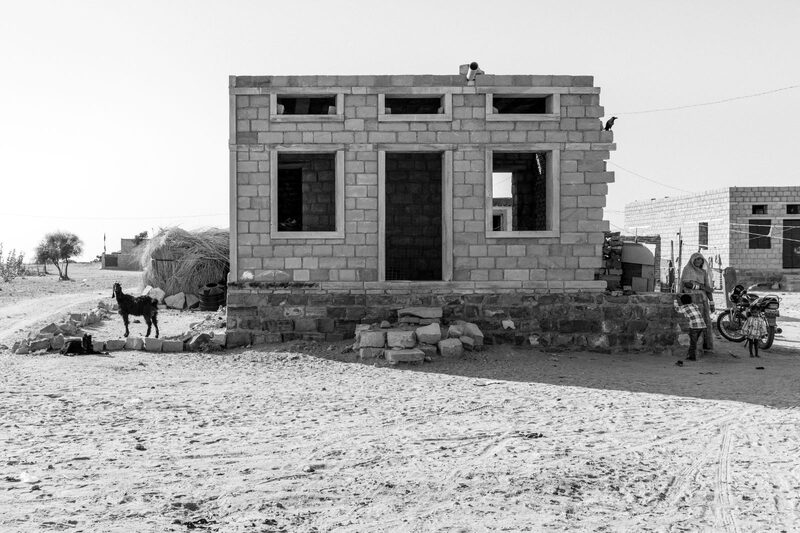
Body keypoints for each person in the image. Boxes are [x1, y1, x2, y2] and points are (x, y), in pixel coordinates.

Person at [680, 252, 715, 351]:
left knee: (703, 321)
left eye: (700, 259)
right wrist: (700, 286)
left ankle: (704, 344)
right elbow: (686, 283)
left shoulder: (703, 272)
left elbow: (708, 289)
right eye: (696, 259)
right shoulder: (687, 269)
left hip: (702, 299)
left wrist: (712, 303)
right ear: (692, 260)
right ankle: (692, 345)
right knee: (693, 322)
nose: (698, 261)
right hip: (691, 298)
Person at [674, 293, 706, 360]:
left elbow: (677, 309)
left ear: (682, 302)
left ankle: (692, 357)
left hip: (694, 327)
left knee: (693, 343)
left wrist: (675, 301)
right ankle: (690, 355)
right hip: (702, 326)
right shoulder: (694, 305)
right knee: (694, 341)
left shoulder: (684, 308)